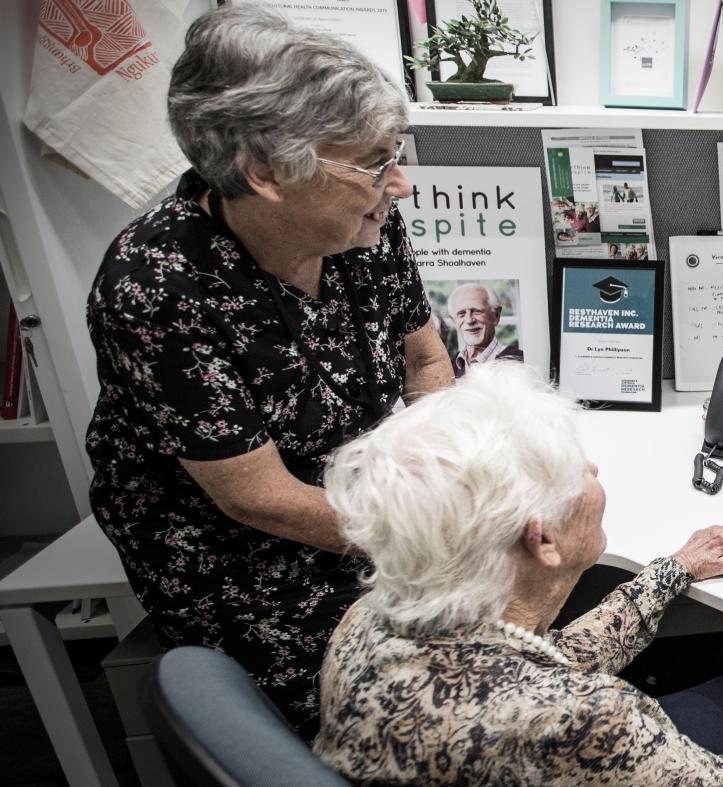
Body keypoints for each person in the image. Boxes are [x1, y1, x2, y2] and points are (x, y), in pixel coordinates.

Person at [84, 5, 453, 739]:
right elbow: (262, 501)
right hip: (252, 565)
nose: (400, 184)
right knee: (430, 714)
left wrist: (446, 479)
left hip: (377, 516)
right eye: (375, 163)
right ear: (266, 174)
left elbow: (425, 358)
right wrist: (435, 533)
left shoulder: (362, 222)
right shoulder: (156, 288)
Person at [315, 362, 723, 784]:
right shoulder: (584, 718)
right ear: (544, 539)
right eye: (578, 472)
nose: (594, 474)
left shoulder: (369, 620)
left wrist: (674, 570)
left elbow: (538, 661)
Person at [447, 282, 523, 376]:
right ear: (454, 321)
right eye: (461, 314)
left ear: (496, 316)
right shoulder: (449, 367)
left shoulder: (519, 361)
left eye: (477, 311)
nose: (470, 320)